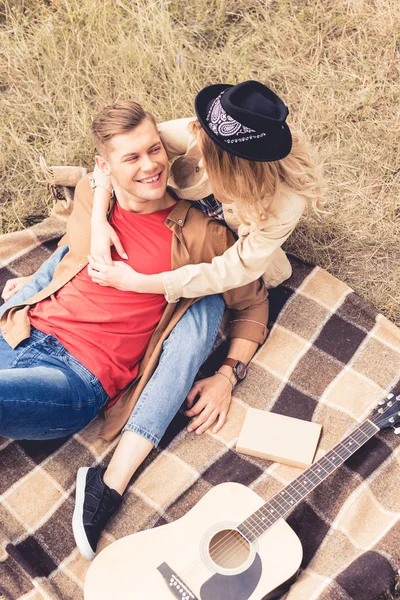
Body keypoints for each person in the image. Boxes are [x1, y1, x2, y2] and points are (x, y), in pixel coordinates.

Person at [0, 101, 269, 559]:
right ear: (105, 166)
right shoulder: (91, 195)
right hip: (18, 334)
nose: (151, 166)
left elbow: (253, 304)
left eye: (154, 150)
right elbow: (68, 251)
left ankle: (105, 487)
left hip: (74, 378)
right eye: (132, 158)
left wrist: (228, 374)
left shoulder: (204, 235)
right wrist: (39, 280)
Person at [89, 80, 323, 301]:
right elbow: (119, 153)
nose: (200, 163)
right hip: (180, 221)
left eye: (208, 159)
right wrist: (98, 221)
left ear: (236, 165)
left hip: (225, 253)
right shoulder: (203, 133)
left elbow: (238, 267)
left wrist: (140, 283)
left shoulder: (286, 201)